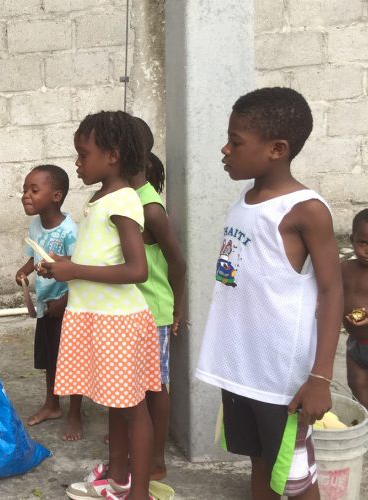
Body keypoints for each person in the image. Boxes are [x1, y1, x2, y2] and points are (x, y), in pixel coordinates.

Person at [195, 87, 343, 500]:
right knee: (260, 462)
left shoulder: (305, 210)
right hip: (244, 368)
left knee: (296, 480)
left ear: (277, 149)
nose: (225, 149)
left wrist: (320, 377)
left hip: (283, 377)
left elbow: (332, 292)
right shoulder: (245, 198)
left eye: (236, 142)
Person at [39, 111, 161, 500]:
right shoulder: (101, 198)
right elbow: (101, 258)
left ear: (112, 155)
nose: (77, 162)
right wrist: (64, 270)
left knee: (133, 409)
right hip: (98, 318)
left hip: (118, 322)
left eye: (83, 154)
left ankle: (138, 492)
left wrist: (75, 269)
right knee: (115, 404)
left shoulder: (124, 199)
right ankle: (119, 479)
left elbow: (137, 269)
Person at [131, 117, 187, 481]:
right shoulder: (125, 200)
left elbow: (178, 263)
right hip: (128, 310)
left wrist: (178, 307)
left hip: (152, 310)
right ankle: (137, 440)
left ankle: (157, 458)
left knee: (155, 384)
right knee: (133, 381)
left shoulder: (149, 206)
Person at [14, 164, 80, 439]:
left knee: (72, 361)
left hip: (66, 308)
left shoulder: (68, 231)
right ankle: (52, 404)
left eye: (33, 190)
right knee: (50, 359)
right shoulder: (35, 224)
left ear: (56, 195)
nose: (26, 195)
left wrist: (64, 301)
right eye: (24, 190)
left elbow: (79, 271)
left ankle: (76, 414)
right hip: (45, 307)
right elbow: (36, 256)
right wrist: (24, 271)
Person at [343, 208, 368, 412]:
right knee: (356, 383)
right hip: (355, 343)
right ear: (353, 239)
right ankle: (367, 421)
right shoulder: (344, 269)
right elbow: (330, 294)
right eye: (363, 243)